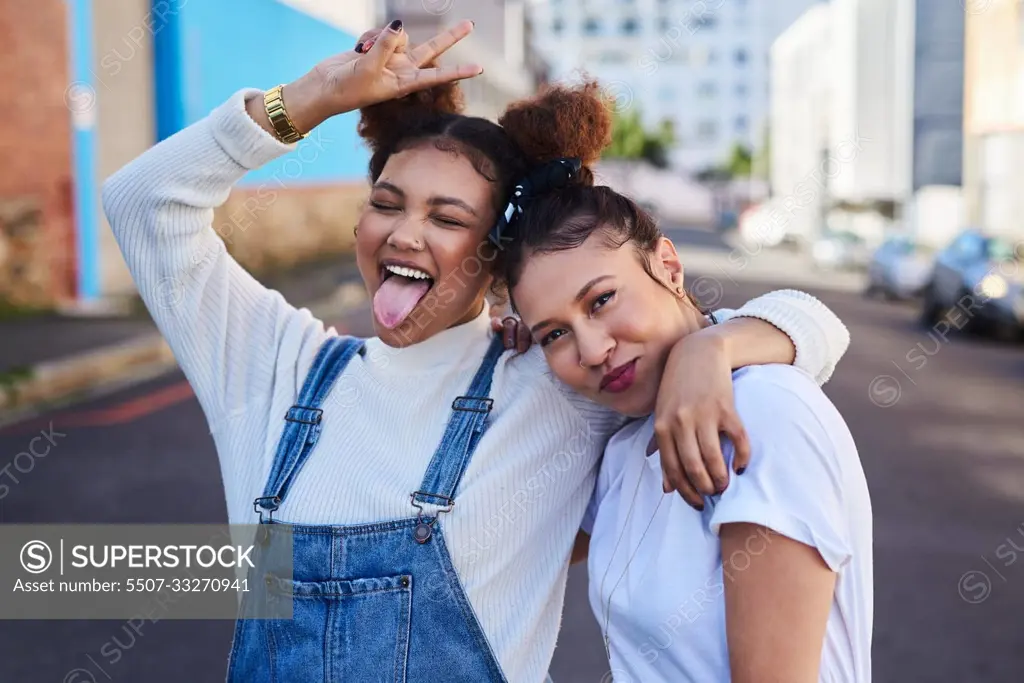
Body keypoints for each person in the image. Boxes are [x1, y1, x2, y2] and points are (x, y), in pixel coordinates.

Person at [101, 20, 851, 683]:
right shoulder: (271, 365)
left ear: (496, 260)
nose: (404, 235)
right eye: (387, 204)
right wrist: (310, 97)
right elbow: (142, 201)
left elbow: (813, 326)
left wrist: (711, 347)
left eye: (446, 217)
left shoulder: (553, 381)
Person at [504, 165, 872, 680]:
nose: (592, 350)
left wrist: (710, 344)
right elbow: (501, 551)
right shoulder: (624, 445)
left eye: (603, 300)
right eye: (553, 335)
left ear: (669, 266)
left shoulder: (764, 412)